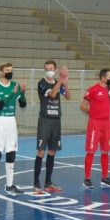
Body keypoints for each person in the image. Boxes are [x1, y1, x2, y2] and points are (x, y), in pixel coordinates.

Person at [33, 60, 71, 193]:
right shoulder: (41, 83)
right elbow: (52, 95)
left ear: (55, 70)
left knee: (52, 151)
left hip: (56, 121)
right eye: (47, 69)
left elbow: (68, 96)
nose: (49, 70)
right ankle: (36, 183)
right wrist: (60, 80)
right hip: (45, 120)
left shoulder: (58, 82)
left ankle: (48, 182)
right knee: (41, 151)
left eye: (51, 68)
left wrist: (65, 82)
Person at [0, 63, 27, 197]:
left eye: (11, 70)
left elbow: (23, 104)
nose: (10, 72)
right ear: (1, 72)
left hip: (11, 120)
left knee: (11, 152)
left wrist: (22, 92)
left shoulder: (15, 85)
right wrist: (13, 93)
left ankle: (9, 185)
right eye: (7, 70)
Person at [80, 68, 110, 189]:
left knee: (105, 150)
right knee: (91, 150)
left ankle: (105, 178)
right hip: (95, 123)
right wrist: (94, 113)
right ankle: (87, 179)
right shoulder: (93, 90)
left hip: (107, 124)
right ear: (103, 78)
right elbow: (83, 106)